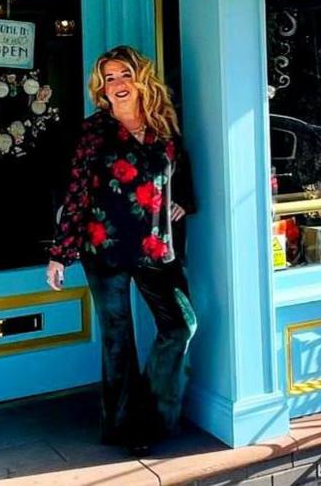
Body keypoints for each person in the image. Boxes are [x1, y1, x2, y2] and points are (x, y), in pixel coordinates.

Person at [45, 45, 196, 457]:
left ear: (140, 78)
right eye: (109, 78)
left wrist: (183, 199)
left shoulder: (163, 125)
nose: (117, 84)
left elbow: (178, 172)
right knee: (117, 340)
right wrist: (62, 252)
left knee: (181, 325)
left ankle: (154, 413)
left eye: (124, 75)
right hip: (105, 247)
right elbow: (76, 191)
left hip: (155, 246)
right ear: (102, 88)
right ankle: (124, 428)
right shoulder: (94, 130)